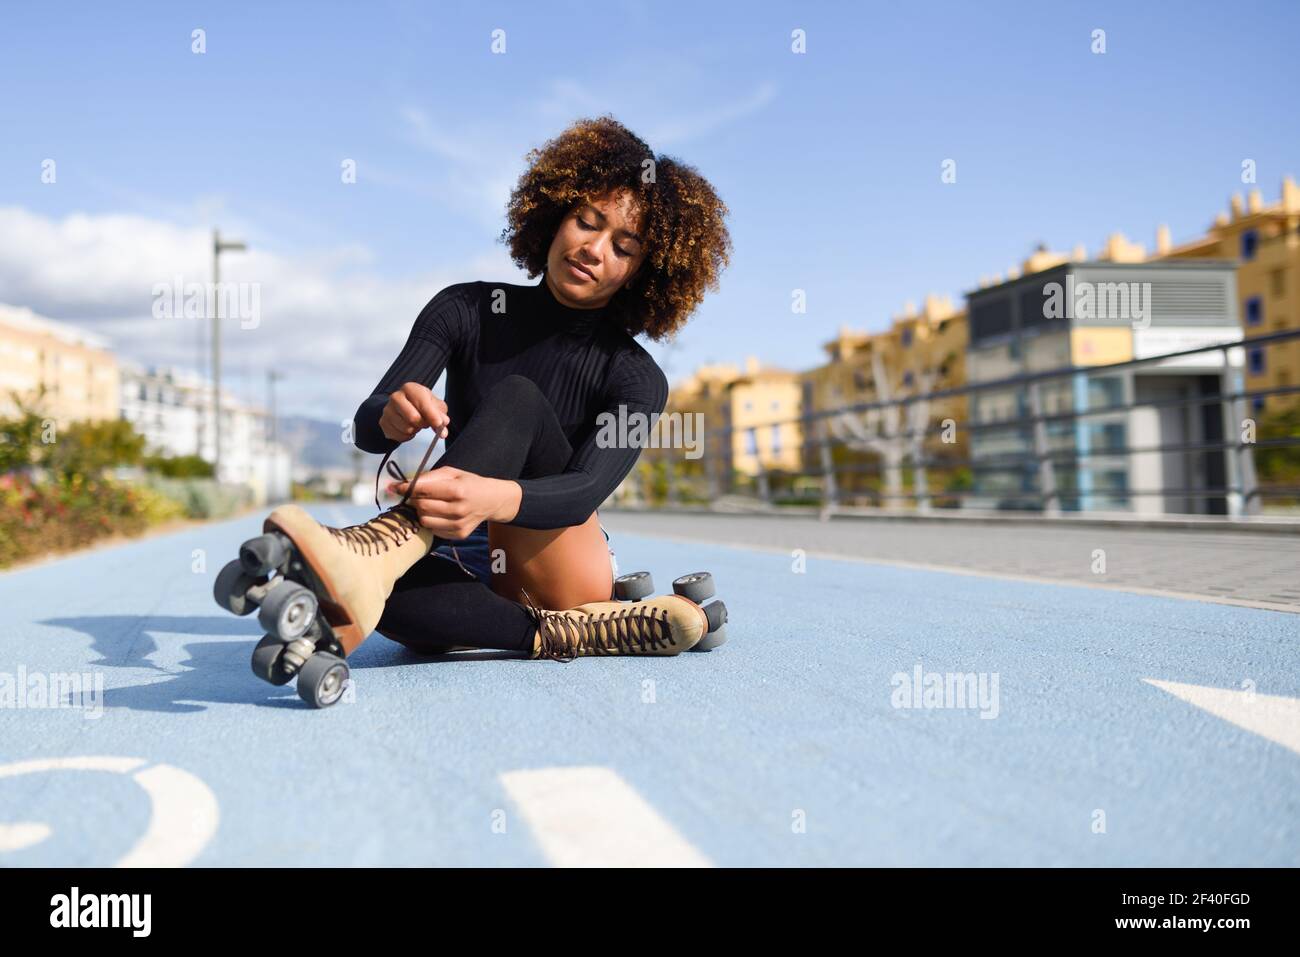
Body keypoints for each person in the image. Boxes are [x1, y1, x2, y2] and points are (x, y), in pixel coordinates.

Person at [260, 115, 732, 660]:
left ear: (641, 274)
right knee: (375, 602)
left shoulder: (636, 377)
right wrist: (391, 413)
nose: (594, 249)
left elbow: (584, 490)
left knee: (519, 399)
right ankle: (573, 633)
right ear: (555, 216)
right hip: (459, 554)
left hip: (557, 560)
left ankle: (382, 541)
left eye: (623, 248)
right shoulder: (465, 309)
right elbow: (369, 426)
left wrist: (495, 499)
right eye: (586, 221)